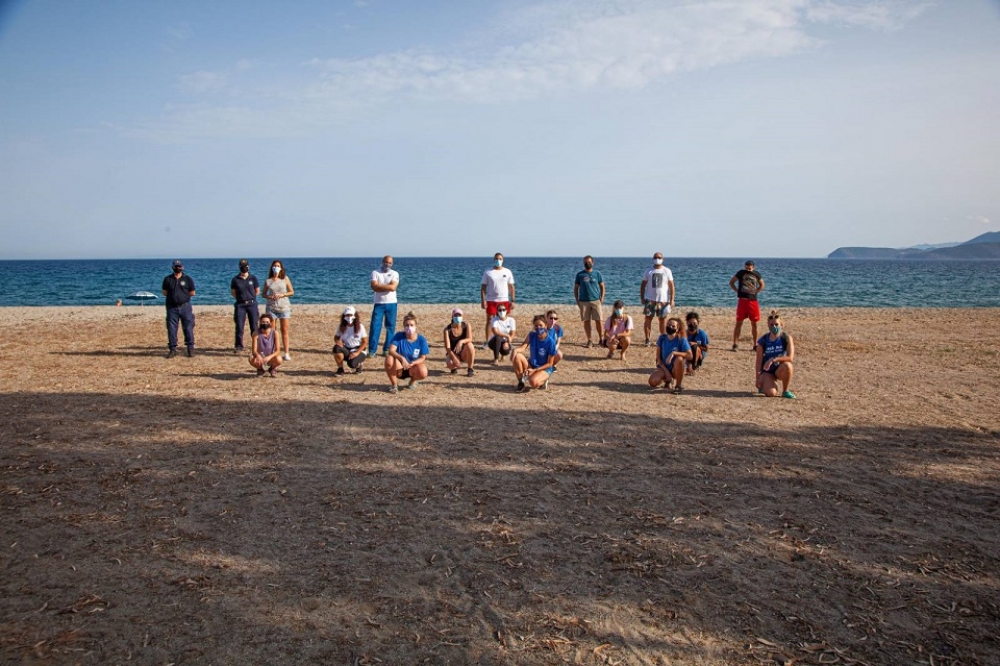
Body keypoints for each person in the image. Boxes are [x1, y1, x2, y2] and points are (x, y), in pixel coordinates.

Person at [512, 314, 561, 392]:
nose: (538, 327)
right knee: (517, 356)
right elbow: (523, 347)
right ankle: (521, 382)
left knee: (533, 382)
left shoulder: (550, 342)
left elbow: (550, 363)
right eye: (536, 325)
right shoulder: (532, 335)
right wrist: (515, 350)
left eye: (540, 325)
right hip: (532, 364)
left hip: (544, 368)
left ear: (545, 325)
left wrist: (535, 370)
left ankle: (543, 379)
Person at [385, 312, 429, 393]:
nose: (409, 327)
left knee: (423, 371)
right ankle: (394, 385)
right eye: (407, 325)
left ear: (416, 326)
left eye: (411, 325)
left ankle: (412, 382)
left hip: (412, 366)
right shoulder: (399, 336)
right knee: (389, 359)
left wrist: (414, 363)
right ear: (404, 326)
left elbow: (423, 357)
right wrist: (402, 358)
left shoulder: (421, 340)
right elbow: (391, 350)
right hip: (399, 367)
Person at [755, 310, 796, 399]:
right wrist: (757, 377)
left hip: (779, 369)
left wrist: (774, 359)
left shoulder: (786, 338)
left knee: (788, 366)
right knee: (771, 393)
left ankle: (785, 391)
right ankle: (766, 383)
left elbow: (790, 358)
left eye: (776, 325)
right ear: (768, 325)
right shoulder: (763, 341)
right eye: (771, 325)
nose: (774, 327)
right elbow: (758, 361)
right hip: (767, 371)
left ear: (781, 325)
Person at [639, 252, 675, 346]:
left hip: (663, 300)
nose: (657, 259)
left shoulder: (667, 271)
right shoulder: (648, 271)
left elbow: (671, 286)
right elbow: (643, 285)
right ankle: (647, 339)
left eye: (659, 257)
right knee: (648, 319)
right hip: (650, 300)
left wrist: (672, 300)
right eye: (655, 257)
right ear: (653, 259)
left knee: (662, 320)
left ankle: (663, 339)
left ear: (662, 259)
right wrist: (642, 297)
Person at [162, 259, 196, 358]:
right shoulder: (168, 279)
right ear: (172, 267)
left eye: (179, 266)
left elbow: (192, 293)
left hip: (185, 307)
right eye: (176, 266)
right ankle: (173, 349)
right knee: (172, 328)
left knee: (188, 328)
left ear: (182, 267)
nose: (178, 268)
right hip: (172, 308)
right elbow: (164, 292)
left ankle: (190, 348)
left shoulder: (188, 279)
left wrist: (182, 297)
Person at [648, 316, 691, 393]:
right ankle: (667, 381)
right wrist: (667, 373)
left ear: (677, 329)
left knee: (679, 359)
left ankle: (678, 385)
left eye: (673, 326)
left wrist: (674, 353)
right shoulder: (662, 338)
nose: (670, 327)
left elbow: (690, 355)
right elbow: (658, 359)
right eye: (669, 325)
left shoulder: (681, 340)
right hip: (664, 367)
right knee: (652, 382)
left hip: (676, 368)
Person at [480, 252, 515, 346]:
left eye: (500, 259)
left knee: (504, 320)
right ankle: (487, 341)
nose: (498, 260)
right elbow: (483, 288)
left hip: (504, 300)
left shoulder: (507, 272)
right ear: (493, 260)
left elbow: (511, 287)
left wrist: (513, 300)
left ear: (503, 260)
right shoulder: (488, 272)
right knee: (489, 320)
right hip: (491, 300)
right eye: (496, 259)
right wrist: (483, 300)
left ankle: (506, 341)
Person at [729, 260, 765, 351]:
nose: (748, 268)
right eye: (747, 266)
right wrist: (737, 290)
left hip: (753, 301)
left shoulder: (757, 274)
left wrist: (756, 291)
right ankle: (735, 344)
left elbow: (762, 285)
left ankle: (755, 345)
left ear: (753, 267)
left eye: (750, 266)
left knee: (754, 324)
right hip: (742, 301)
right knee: (739, 323)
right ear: (744, 266)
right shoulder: (741, 273)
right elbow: (731, 282)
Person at [368, 255, 399, 358]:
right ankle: (372, 351)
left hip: (392, 303)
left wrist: (379, 286)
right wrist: (387, 287)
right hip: (379, 304)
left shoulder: (395, 273)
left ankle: (387, 349)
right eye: (386, 262)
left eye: (390, 263)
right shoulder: (375, 273)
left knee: (390, 327)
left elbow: (393, 287)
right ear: (382, 262)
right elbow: (374, 287)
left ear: (392, 264)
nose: (387, 264)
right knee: (375, 326)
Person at [263, 259, 294, 361]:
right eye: (274, 266)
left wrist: (282, 295)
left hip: (284, 307)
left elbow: (291, 292)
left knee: (284, 330)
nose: (276, 267)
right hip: (272, 308)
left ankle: (286, 352)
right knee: (272, 330)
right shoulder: (268, 281)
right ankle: (272, 351)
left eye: (278, 266)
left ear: (281, 268)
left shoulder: (285, 278)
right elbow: (263, 294)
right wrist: (270, 297)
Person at [574, 255, 605, 347]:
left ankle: (601, 339)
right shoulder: (580, 275)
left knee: (598, 320)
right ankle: (589, 340)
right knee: (586, 321)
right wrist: (577, 299)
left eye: (589, 262)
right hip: (583, 301)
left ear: (593, 263)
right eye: (586, 262)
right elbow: (576, 288)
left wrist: (602, 298)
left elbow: (602, 286)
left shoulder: (597, 274)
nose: (587, 263)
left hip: (596, 301)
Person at [230, 258, 260, 354]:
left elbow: (257, 291)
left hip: (252, 304)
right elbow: (233, 292)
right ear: (239, 267)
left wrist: (250, 298)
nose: (244, 268)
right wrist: (241, 298)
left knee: (254, 325)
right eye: (242, 266)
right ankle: (239, 345)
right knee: (239, 325)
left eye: (246, 266)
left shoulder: (253, 278)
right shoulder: (235, 279)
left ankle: (256, 345)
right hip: (240, 304)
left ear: (248, 266)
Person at [333, 306, 368, 375]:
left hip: (358, 350)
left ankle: (359, 365)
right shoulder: (341, 326)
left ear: (355, 315)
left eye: (351, 315)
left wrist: (357, 353)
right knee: (336, 348)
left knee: (352, 364)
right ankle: (340, 369)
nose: (349, 317)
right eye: (347, 315)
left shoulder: (360, 327)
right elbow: (336, 337)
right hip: (347, 348)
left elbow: (365, 342)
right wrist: (338, 341)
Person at [444, 308, 475, 377]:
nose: (457, 317)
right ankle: (454, 368)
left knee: (470, 345)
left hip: (463, 352)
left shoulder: (466, 325)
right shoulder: (447, 330)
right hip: (453, 352)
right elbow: (447, 347)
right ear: (452, 317)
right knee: (450, 363)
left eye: (459, 315)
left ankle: (470, 368)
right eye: (455, 315)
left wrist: (461, 342)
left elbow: (470, 338)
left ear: (462, 316)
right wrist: (454, 358)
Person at [249, 313, 282, 377]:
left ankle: (272, 368)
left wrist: (269, 357)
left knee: (279, 359)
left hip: (271, 356)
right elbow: (254, 350)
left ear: (270, 323)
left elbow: (278, 350)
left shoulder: (275, 333)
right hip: (260, 355)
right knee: (251, 358)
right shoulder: (256, 333)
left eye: (267, 322)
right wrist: (258, 356)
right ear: (260, 322)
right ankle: (260, 369)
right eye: (263, 322)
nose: (265, 324)